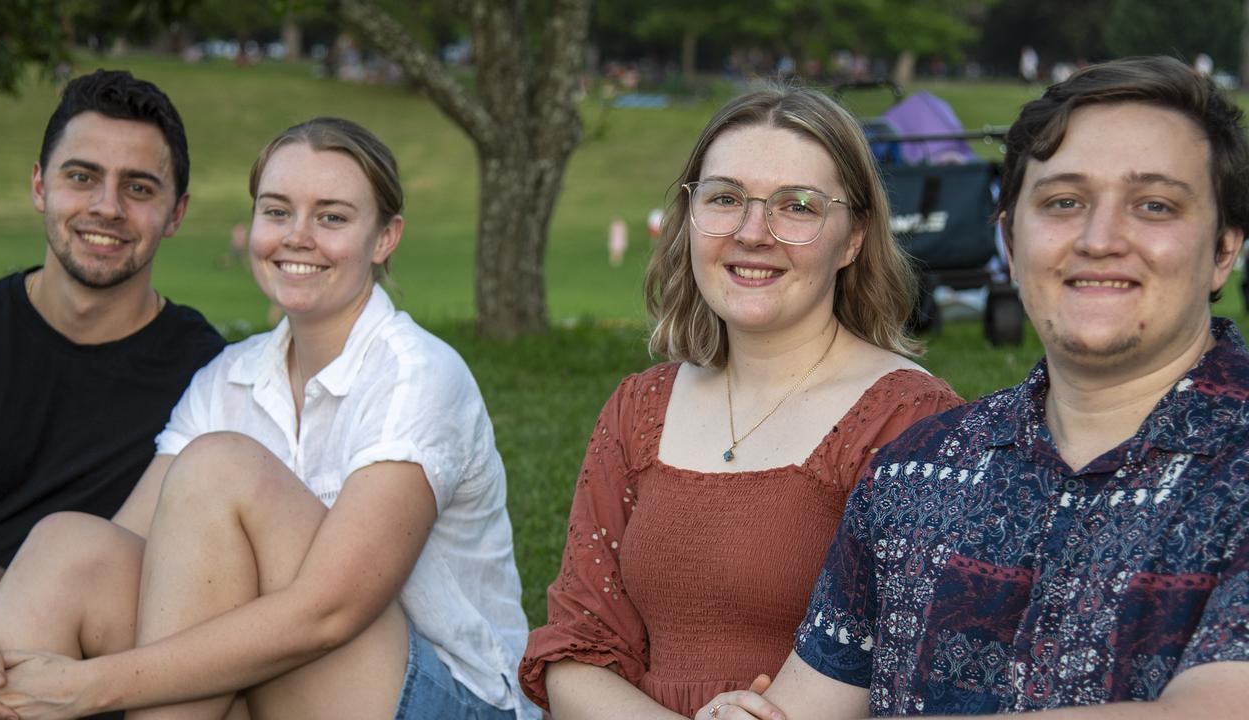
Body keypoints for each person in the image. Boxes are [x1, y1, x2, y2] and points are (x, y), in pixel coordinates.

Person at [699, 55, 1249, 719]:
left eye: (1154, 205)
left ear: (1224, 248)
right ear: (1010, 244)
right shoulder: (913, 472)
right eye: (1063, 202)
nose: (1100, 239)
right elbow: (810, 703)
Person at [0, 117, 536, 720]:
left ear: (385, 238)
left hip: (442, 698)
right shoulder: (229, 377)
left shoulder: (417, 375)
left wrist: (94, 685)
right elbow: (123, 550)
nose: (298, 236)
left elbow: (329, 613)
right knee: (67, 545)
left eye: (333, 217)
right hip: (284, 686)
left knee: (220, 465)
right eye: (277, 211)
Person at [520, 87, 962, 719]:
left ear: (854, 238)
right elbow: (575, 652)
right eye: (726, 198)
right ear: (691, 214)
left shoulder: (913, 423)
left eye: (798, 207)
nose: (754, 234)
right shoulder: (639, 409)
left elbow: (925, 670)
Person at [0, 70, 224, 598]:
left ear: (176, 213)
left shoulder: (210, 380)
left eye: (138, 187)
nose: (107, 207)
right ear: (40, 185)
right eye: (82, 177)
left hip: (85, 662)